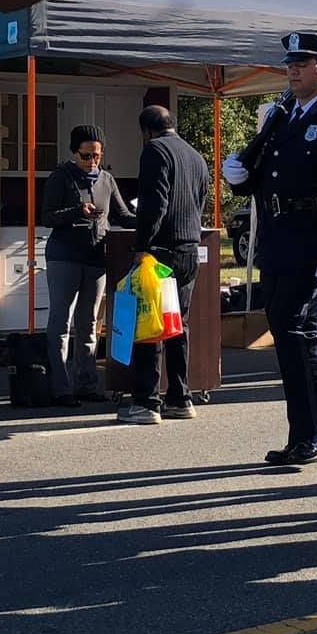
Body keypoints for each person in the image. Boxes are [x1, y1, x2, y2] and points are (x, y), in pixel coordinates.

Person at [222, 32, 317, 466]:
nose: (293, 70)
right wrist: (242, 177)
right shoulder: (282, 116)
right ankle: (310, 430)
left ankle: (314, 431)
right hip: (279, 238)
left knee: (297, 329)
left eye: (303, 63)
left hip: (314, 237)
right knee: (285, 328)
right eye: (290, 64)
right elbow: (269, 175)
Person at [120, 105, 211, 426]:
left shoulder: (155, 151)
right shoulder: (196, 157)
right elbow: (201, 199)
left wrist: (142, 246)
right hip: (189, 247)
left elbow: (153, 203)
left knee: (150, 324)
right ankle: (180, 396)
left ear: (146, 131)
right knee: (177, 324)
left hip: (161, 249)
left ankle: (146, 401)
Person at [43, 124, 134, 406]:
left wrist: (150, 221)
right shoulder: (61, 176)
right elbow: (47, 216)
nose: (91, 162)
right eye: (85, 156)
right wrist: (75, 211)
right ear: (73, 153)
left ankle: (87, 384)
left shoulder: (107, 179)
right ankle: (60, 387)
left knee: (89, 322)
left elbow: (122, 215)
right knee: (61, 321)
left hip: (96, 258)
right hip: (64, 256)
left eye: (96, 156)